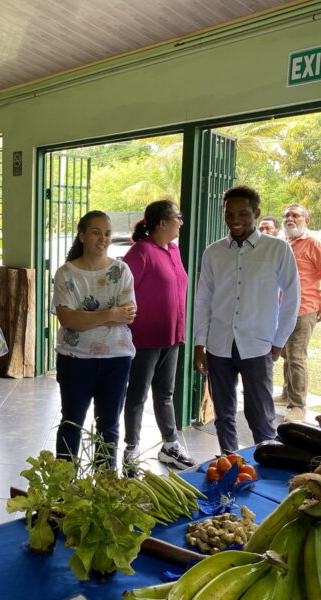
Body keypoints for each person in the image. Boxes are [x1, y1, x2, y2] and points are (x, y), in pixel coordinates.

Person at [193, 185, 300, 454]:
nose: (235, 220)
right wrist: (199, 344)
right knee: (224, 415)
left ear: (257, 213)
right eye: (229, 214)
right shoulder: (213, 252)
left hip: (258, 344)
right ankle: (231, 461)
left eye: (243, 213)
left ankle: (266, 464)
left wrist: (278, 341)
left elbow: (291, 297)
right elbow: (203, 299)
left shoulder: (277, 250)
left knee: (261, 417)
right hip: (219, 345)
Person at [52, 210, 136, 468]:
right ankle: (63, 487)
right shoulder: (66, 273)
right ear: (82, 235)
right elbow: (68, 321)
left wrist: (86, 316)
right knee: (71, 422)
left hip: (117, 358)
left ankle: (105, 486)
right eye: (96, 232)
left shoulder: (121, 270)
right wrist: (111, 314)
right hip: (75, 359)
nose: (103, 239)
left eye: (108, 233)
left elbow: (128, 315)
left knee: (109, 426)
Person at [122, 200, 195, 469]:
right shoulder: (141, 252)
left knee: (166, 393)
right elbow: (123, 291)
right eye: (178, 217)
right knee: (138, 395)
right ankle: (131, 448)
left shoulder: (173, 250)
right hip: (145, 338)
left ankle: (170, 445)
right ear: (162, 223)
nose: (181, 222)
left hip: (172, 335)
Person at [275, 204, 321, 422]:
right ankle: (286, 394)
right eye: (287, 216)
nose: (290, 219)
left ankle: (298, 406)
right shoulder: (285, 244)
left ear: (306, 220)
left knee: (296, 355)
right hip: (282, 310)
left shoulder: (312, 243)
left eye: (295, 215)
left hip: (305, 308)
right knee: (284, 352)